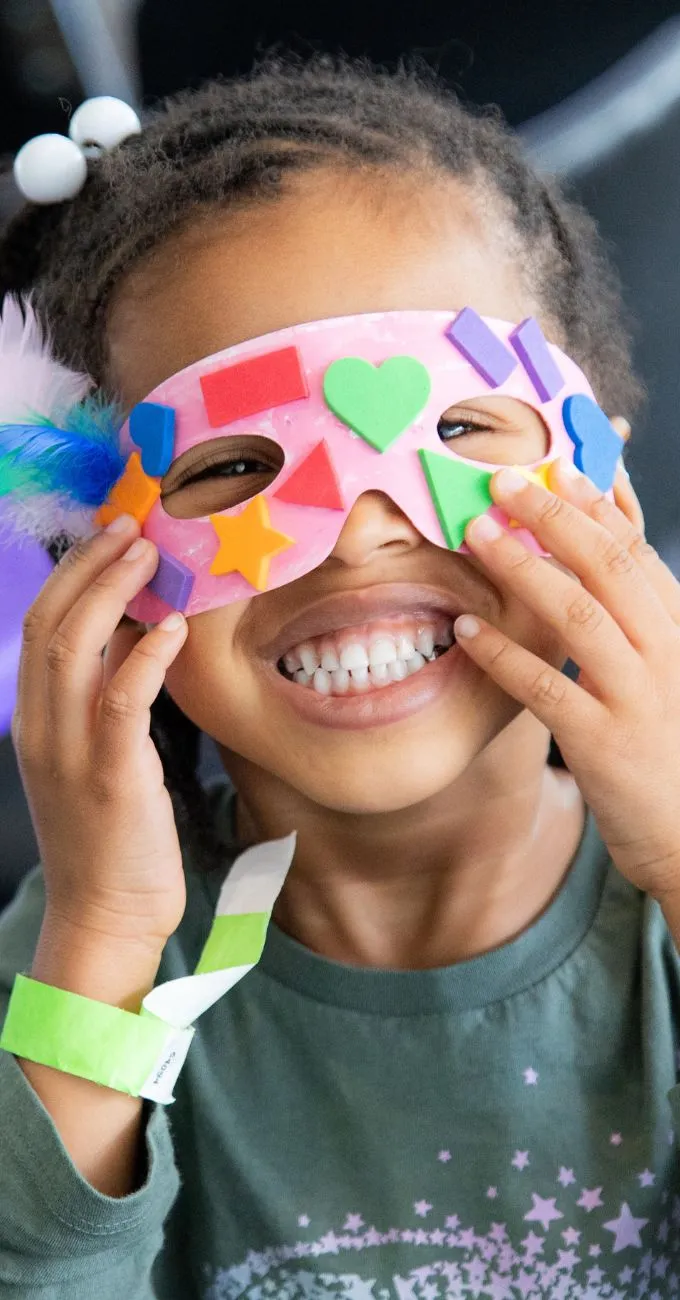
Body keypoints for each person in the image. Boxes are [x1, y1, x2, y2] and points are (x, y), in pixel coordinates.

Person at [1, 50, 679, 1300]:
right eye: (228, 467)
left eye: (459, 433)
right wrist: (99, 942)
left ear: (606, 484)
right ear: (93, 559)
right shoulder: (69, 971)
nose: (358, 529)